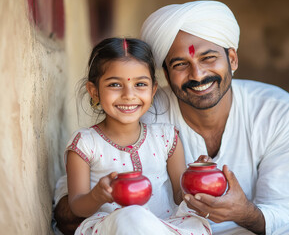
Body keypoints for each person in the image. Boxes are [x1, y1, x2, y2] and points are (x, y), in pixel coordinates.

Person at [54, 0, 289, 235]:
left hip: (229, 231)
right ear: (165, 75)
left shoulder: (278, 113)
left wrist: (243, 212)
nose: (198, 75)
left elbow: (284, 212)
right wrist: (101, 197)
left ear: (233, 59)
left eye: (208, 58)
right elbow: (67, 211)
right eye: (180, 64)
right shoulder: (140, 111)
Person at [61, 37, 211, 235]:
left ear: (153, 89)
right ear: (94, 91)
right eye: (115, 85)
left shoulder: (166, 138)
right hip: (114, 228)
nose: (129, 95)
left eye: (140, 84)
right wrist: (97, 196)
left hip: (162, 225)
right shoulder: (86, 143)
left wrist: (195, 181)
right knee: (132, 217)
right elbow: (77, 206)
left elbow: (178, 194)